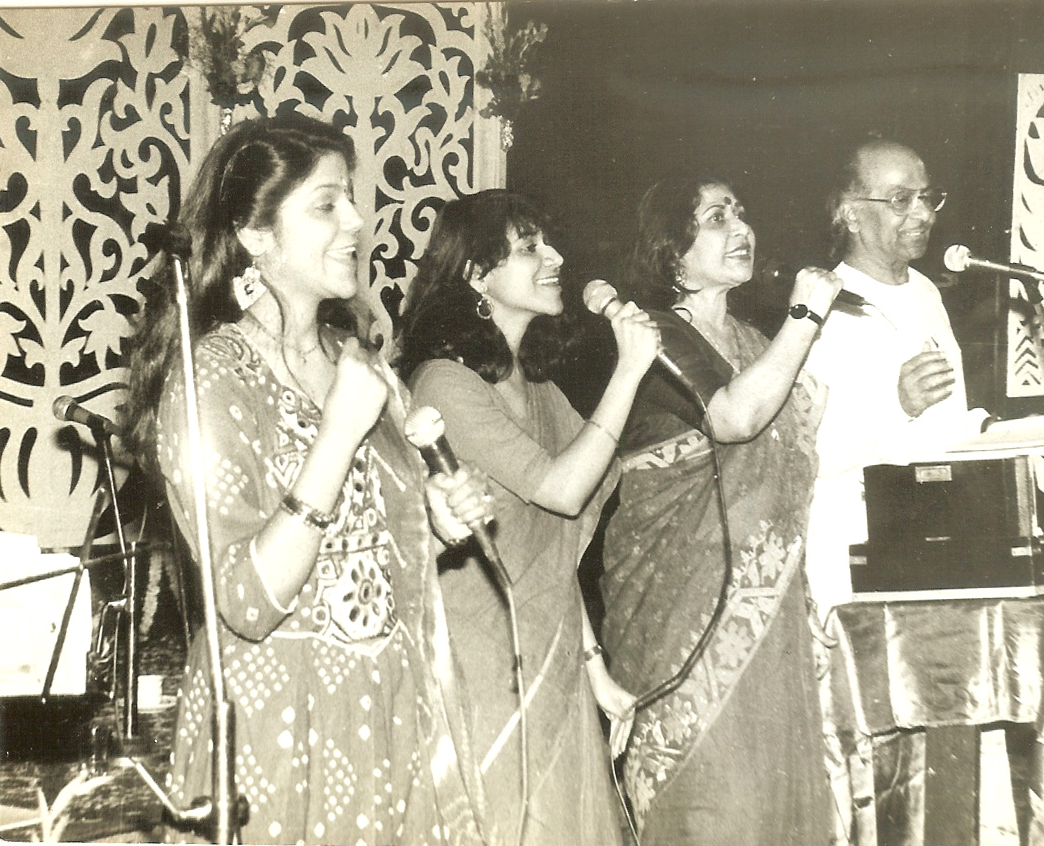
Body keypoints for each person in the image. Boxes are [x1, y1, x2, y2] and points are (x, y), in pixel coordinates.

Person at [122, 113, 494, 845]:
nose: (358, 219)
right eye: (327, 203)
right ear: (257, 236)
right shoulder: (213, 381)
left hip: (385, 714)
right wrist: (337, 433)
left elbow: (372, 541)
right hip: (279, 731)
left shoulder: (359, 364)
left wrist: (434, 517)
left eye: (351, 198)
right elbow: (248, 600)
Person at [393, 189, 660, 846]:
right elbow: (563, 490)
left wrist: (597, 673)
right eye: (530, 247)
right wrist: (630, 370)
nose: (557, 256)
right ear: (475, 274)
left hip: (551, 666)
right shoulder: (446, 384)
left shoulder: (537, 386)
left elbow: (549, 551)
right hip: (480, 673)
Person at [600, 176, 840, 845]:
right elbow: (734, 417)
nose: (740, 224)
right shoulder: (654, 336)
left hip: (770, 616)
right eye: (715, 216)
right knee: (715, 803)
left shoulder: (752, 340)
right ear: (673, 254)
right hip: (683, 615)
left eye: (741, 209)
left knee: (769, 801)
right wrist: (805, 320)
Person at [803, 139, 990, 622]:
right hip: (858, 562)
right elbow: (811, 456)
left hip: (936, 544)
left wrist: (988, 430)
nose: (923, 213)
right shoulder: (820, 305)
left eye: (928, 197)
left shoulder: (926, 290)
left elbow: (941, 423)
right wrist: (898, 405)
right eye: (900, 200)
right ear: (849, 213)